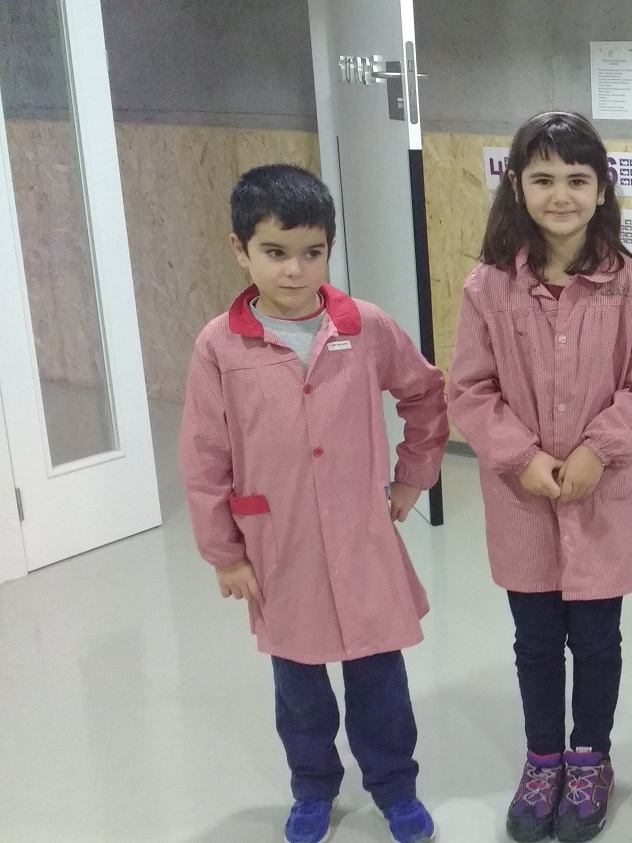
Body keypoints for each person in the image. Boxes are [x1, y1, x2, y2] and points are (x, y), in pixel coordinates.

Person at [179, 164, 447, 843]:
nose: (295, 270)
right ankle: (313, 788)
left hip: (362, 539)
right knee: (299, 689)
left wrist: (413, 477)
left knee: (380, 679)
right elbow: (204, 457)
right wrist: (224, 554)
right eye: (275, 251)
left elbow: (424, 395)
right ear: (240, 249)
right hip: (281, 546)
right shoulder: (219, 345)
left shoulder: (366, 326)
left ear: (330, 248)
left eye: (312, 252)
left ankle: (395, 787)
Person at [449, 111, 632, 843]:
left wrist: (596, 451)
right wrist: (521, 455)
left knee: (599, 641)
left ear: (602, 188)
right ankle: (543, 758)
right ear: (516, 186)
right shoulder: (488, 287)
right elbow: (470, 390)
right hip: (523, 504)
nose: (561, 195)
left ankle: (590, 759)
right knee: (537, 641)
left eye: (578, 179)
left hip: (604, 500)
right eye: (543, 178)